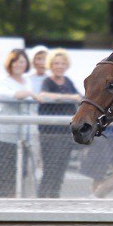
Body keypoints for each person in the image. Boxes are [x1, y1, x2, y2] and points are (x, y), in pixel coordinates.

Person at [80, 37, 113, 198]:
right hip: (103, 132)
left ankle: (94, 198)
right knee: (99, 172)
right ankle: (94, 203)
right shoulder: (106, 75)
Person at [0, 49, 42, 197]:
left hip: (24, 137)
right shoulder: (3, 81)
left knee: (21, 173)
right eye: (16, 61)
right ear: (10, 63)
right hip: (4, 136)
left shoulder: (28, 81)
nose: (19, 65)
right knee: (5, 173)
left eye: (22, 62)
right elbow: (11, 95)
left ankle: (13, 202)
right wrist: (31, 94)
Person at [37, 49, 81, 198]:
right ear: (51, 65)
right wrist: (67, 97)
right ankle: (43, 199)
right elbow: (43, 95)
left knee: (61, 169)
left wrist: (72, 97)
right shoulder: (47, 81)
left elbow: (79, 97)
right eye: (56, 63)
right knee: (50, 168)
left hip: (65, 133)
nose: (59, 66)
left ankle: (54, 197)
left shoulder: (68, 81)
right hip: (50, 134)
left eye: (62, 63)